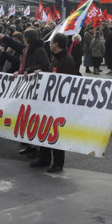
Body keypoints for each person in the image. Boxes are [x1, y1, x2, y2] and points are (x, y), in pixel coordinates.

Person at [30, 33, 76, 172]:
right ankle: (45, 158)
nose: (49, 45)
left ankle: (58, 162)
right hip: (50, 100)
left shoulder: (66, 60)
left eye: (51, 43)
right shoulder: (56, 58)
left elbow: (66, 82)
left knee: (56, 132)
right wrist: (43, 73)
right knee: (45, 127)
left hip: (59, 103)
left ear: (57, 44)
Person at [16, 27, 51, 157]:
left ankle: (36, 148)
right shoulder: (30, 50)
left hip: (35, 88)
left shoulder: (38, 50)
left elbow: (45, 65)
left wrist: (29, 70)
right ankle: (31, 145)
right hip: (28, 85)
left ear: (28, 39)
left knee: (32, 116)